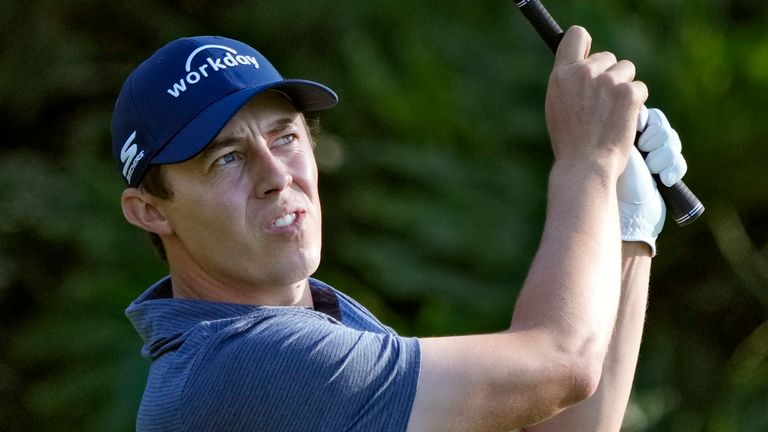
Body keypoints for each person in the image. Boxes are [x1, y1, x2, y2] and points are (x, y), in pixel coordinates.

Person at [113, 27, 687, 432]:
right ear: (150, 211)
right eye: (227, 159)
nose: (275, 176)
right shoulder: (244, 364)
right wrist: (587, 162)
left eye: (285, 136)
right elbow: (562, 364)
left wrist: (625, 223)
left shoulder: (324, 322)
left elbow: (562, 422)